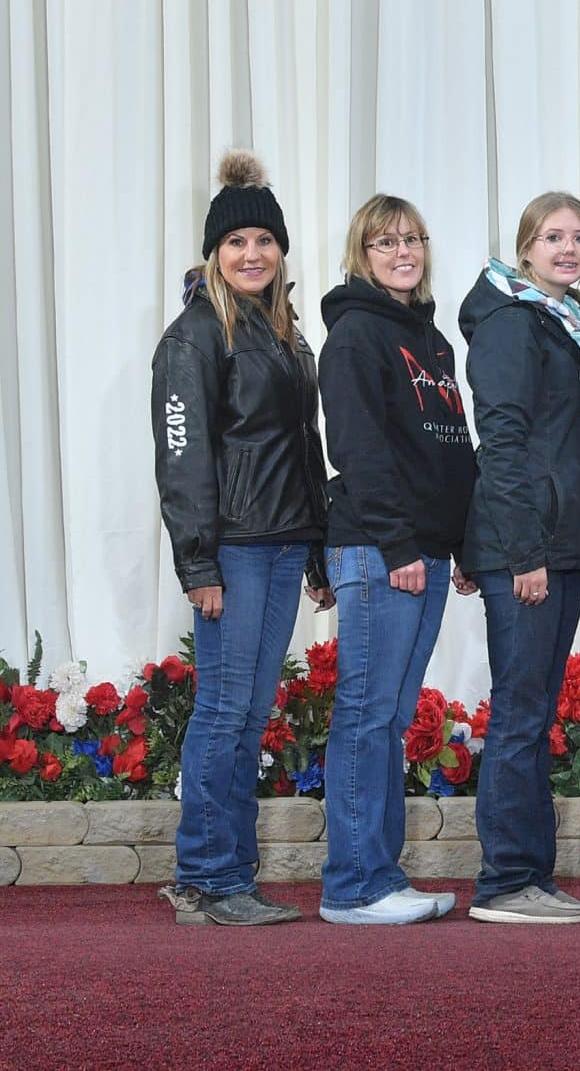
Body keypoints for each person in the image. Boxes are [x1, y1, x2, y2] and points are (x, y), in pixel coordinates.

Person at [150, 151, 332, 926]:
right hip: (233, 549)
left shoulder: (288, 337)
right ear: (213, 254)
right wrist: (198, 563)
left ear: (280, 249)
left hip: (286, 544)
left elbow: (307, 445)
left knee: (248, 714)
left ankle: (232, 876)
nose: (252, 254)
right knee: (225, 711)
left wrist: (319, 547)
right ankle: (206, 878)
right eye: (235, 243)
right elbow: (182, 459)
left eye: (263, 240)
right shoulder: (194, 337)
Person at [316, 195, 477, 924]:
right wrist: (400, 544)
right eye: (385, 242)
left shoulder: (431, 341)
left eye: (413, 238)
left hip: (425, 552)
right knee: (366, 717)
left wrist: (464, 544)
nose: (403, 251)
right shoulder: (355, 335)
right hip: (382, 549)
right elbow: (356, 449)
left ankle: (380, 875)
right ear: (362, 254)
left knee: (387, 717)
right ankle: (352, 886)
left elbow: (450, 454)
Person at [460, 192, 580, 924]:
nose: (568, 248)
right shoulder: (515, 324)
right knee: (520, 714)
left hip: (555, 547)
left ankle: (530, 878)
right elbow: (505, 442)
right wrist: (525, 552)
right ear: (524, 249)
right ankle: (506, 881)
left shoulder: (567, 322)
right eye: (553, 237)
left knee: (533, 712)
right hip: (525, 550)